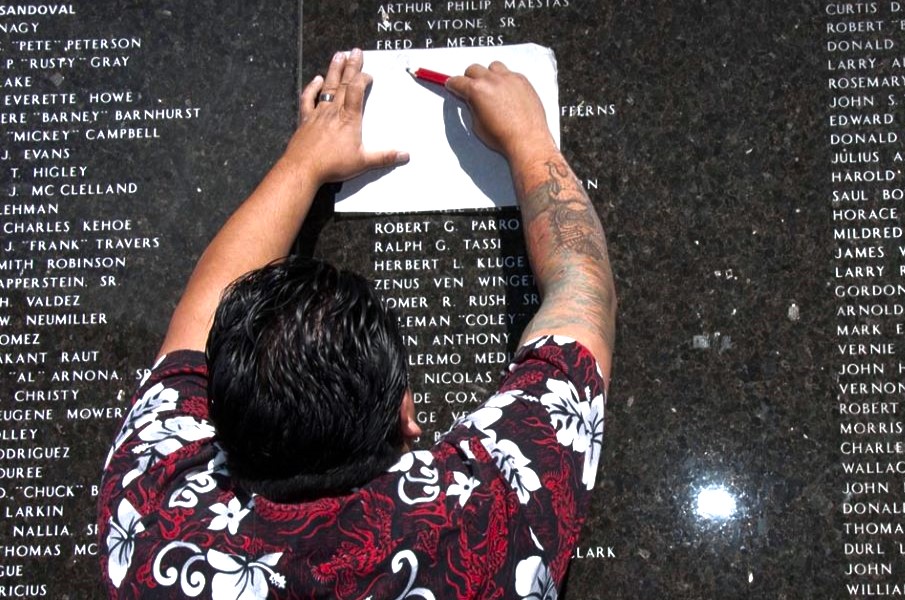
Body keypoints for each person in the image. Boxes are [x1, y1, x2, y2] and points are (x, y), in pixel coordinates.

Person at [97, 49, 615, 599]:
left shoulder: (152, 527)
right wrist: (529, 138)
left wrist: (304, 162)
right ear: (404, 415)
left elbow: (194, 328)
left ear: (217, 415)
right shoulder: (478, 529)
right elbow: (581, 294)